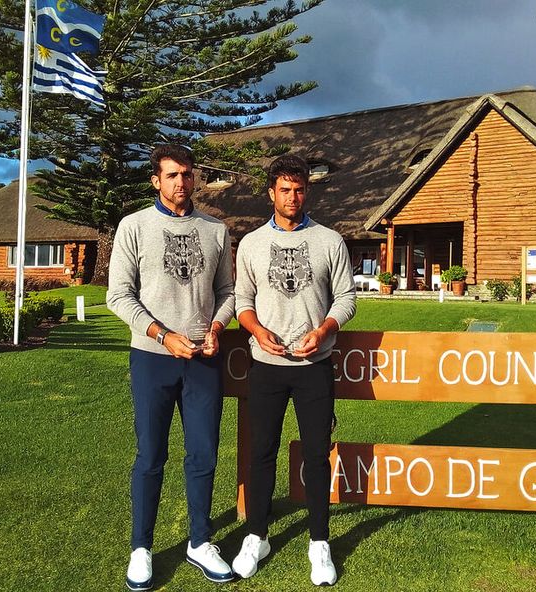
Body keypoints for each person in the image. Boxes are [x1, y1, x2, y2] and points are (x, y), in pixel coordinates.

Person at [107, 144, 235, 591]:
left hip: (203, 360)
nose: (182, 182)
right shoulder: (134, 226)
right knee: (150, 457)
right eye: (172, 175)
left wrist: (217, 326)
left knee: (203, 454)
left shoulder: (216, 230)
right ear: (156, 181)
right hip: (152, 359)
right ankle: (141, 547)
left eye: (187, 174)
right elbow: (119, 295)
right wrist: (163, 334)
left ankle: (200, 542)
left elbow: (228, 291)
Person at [231, 154, 356, 586]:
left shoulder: (329, 240)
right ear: (271, 193)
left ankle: (319, 543)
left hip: (314, 366)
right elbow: (241, 301)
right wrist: (255, 329)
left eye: (299, 189)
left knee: (318, 454)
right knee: (261, 453)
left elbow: (346, 299)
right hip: (266, 366)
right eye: (284, 189)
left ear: (308, 191)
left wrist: (323, 330)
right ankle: (257, 536)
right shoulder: (250, 244)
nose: (292, 196)